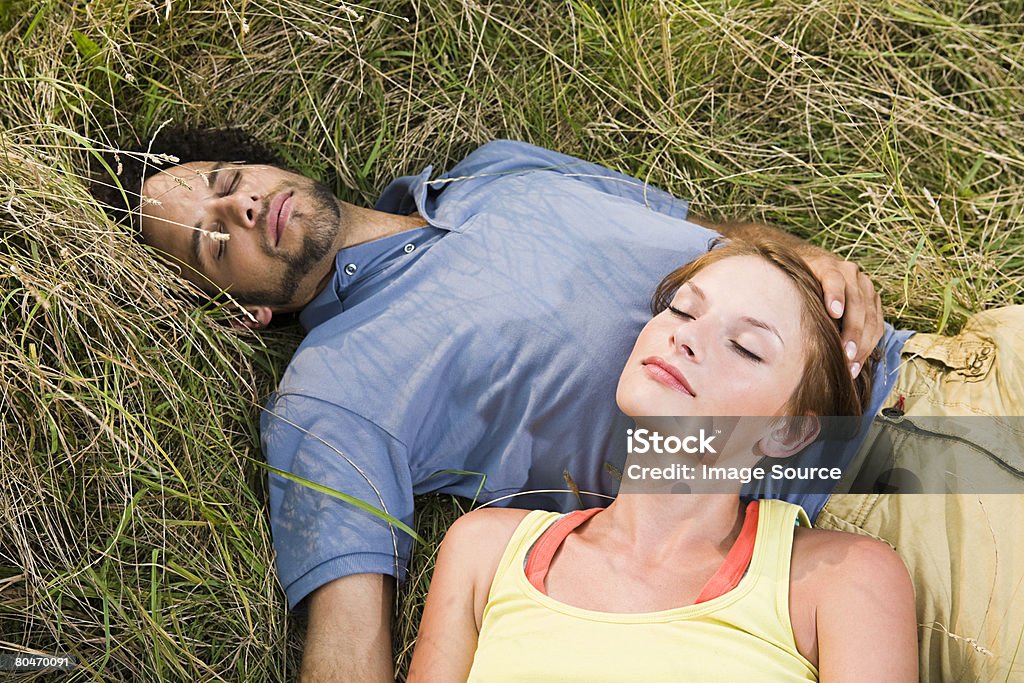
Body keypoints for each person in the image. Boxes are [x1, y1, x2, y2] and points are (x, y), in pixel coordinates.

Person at [94, 132, 1022, 680]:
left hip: (960, 359)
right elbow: (346, 640)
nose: (240, 211)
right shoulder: (327, 396)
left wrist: (808, 267)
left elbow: (716, 240)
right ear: (244, 307)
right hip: (856, 504)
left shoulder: (499, 169)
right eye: (213, 244)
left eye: (225, 184)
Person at [407, 237, 918, 681]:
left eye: (745, 347)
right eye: (682, 309)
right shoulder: (486, 551)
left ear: (786, 432)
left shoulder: (840, 580)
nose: (686, 336)